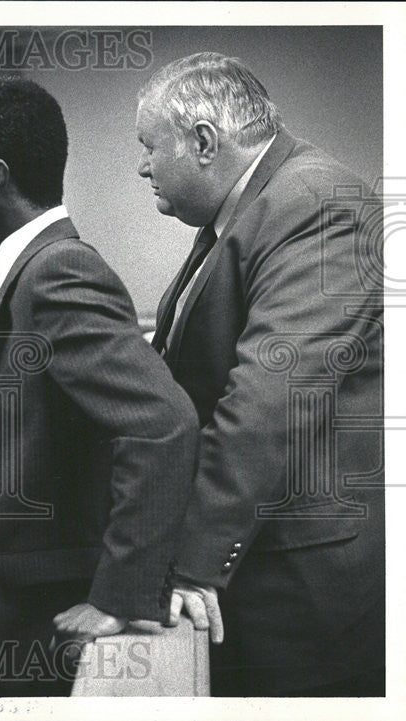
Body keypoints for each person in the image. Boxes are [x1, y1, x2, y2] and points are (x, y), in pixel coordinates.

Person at [0, 76, 199, 696]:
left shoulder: (59, 271)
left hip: (34, 605)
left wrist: (119, 593)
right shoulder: (6, 263)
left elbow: (163, 424)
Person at [136, 52, 384, 696]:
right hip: (263, 554)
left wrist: (194, 564)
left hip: (297, 581)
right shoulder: (247, 209)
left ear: (203, 141)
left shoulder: (315, 199)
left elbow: (270, 399)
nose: (142, 167)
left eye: (148, 147)